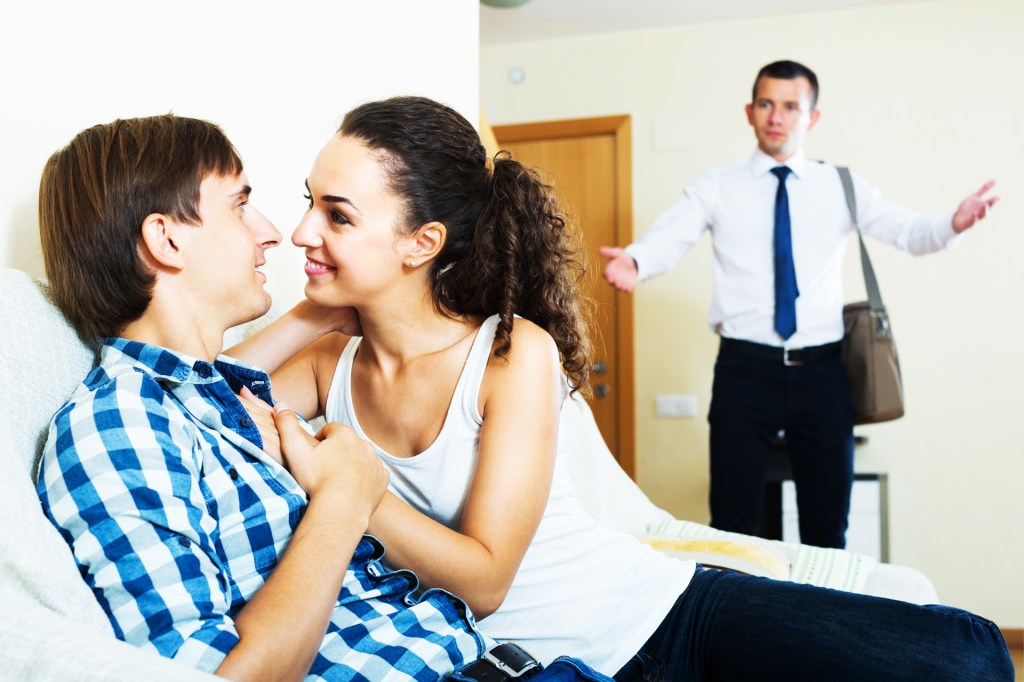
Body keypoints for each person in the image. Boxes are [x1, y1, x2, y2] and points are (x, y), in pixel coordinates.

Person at [235, 95, 1013, 681]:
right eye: (309, 203)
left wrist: (355, 491)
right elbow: (197, 397)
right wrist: (308, 313)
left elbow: (486, 576)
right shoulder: (326, 367)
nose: (302, 232)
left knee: (969, 654)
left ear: (422, 243)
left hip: (664, 613)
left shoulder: (509, 353)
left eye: (336, 216)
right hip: (555, 664)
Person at [34, 114, 611, 682]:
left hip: (549, 650)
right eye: (239, 205)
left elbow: (203, 381)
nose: (278, 233)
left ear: (424, 243)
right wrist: (343, 494)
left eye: (337, 215)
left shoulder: (201, 405)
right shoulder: (122, 424)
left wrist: (311, 318)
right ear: (165, 238)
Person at [599, 59, 998, 550]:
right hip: (744, 372)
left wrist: (953, 223)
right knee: (733, 527)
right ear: (749, 112)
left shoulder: (841, 185)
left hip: (824, 374)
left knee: (827, 529)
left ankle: (818, 604)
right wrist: (636, 261)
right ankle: (746, 604)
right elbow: (669, 237)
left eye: (791, 107)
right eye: (766, 104)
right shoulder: (715, 186)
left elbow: (908, 231)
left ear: (812, 117)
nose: (777, 116)